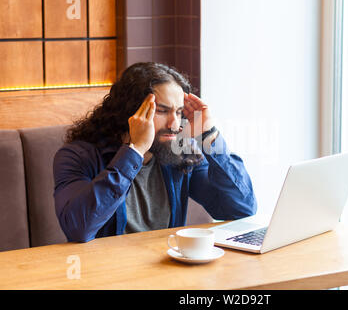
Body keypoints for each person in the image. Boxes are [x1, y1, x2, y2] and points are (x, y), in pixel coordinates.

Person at [53, 62, 257, 243]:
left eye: (178, 112)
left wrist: (210, 136)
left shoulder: (179, 153)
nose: (174, 124)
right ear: (131, 112)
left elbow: (241, 210)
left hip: (166, 273)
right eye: (162, 110)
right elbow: (79, 229)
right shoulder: (78, 156)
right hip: (109, 277)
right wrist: (134, 150)